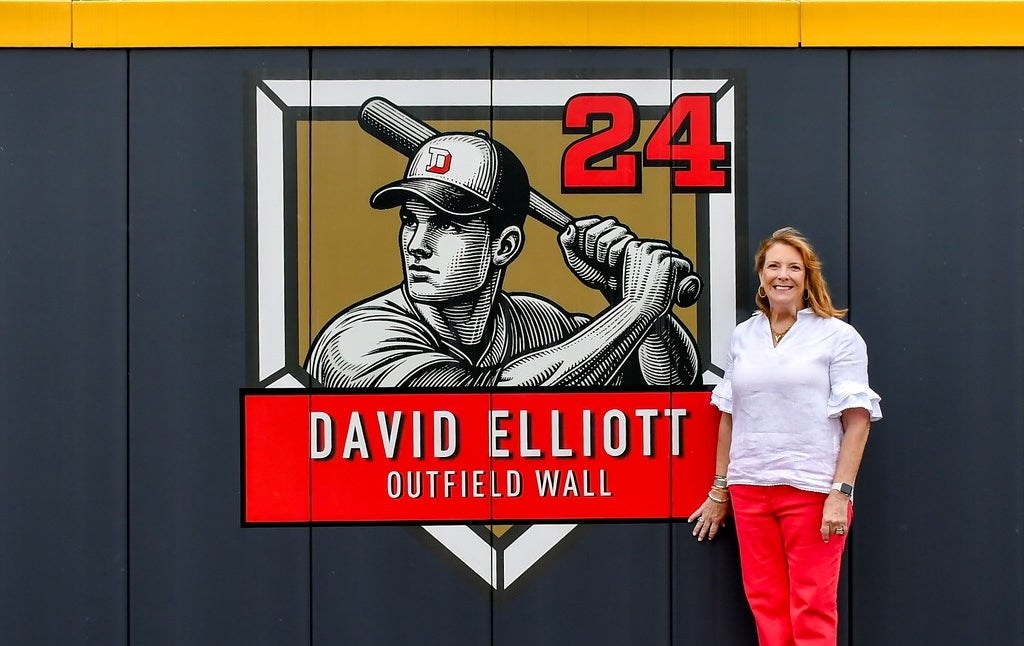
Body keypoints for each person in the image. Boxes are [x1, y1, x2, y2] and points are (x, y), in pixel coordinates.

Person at [305, 130, 701, 388]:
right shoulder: (357, 338)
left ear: (504, 246)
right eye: (411, 221)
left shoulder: (538, 322)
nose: (417, 245)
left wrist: (629, 296)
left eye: (446, 225)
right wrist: (636, 307)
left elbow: (669, 387)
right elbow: (485, 403)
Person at [688, 227, 882, 646]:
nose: (783, 275)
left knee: (812, 608)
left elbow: (859, 421)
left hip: (812, 492)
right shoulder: (744, 335)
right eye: (773, 266)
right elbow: (729, 416)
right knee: (766, 606)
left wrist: (840, 494)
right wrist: (720, 490)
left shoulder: (838, 336)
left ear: (808, 278)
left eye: (794, 267)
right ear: (761, 276)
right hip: (750, 490)